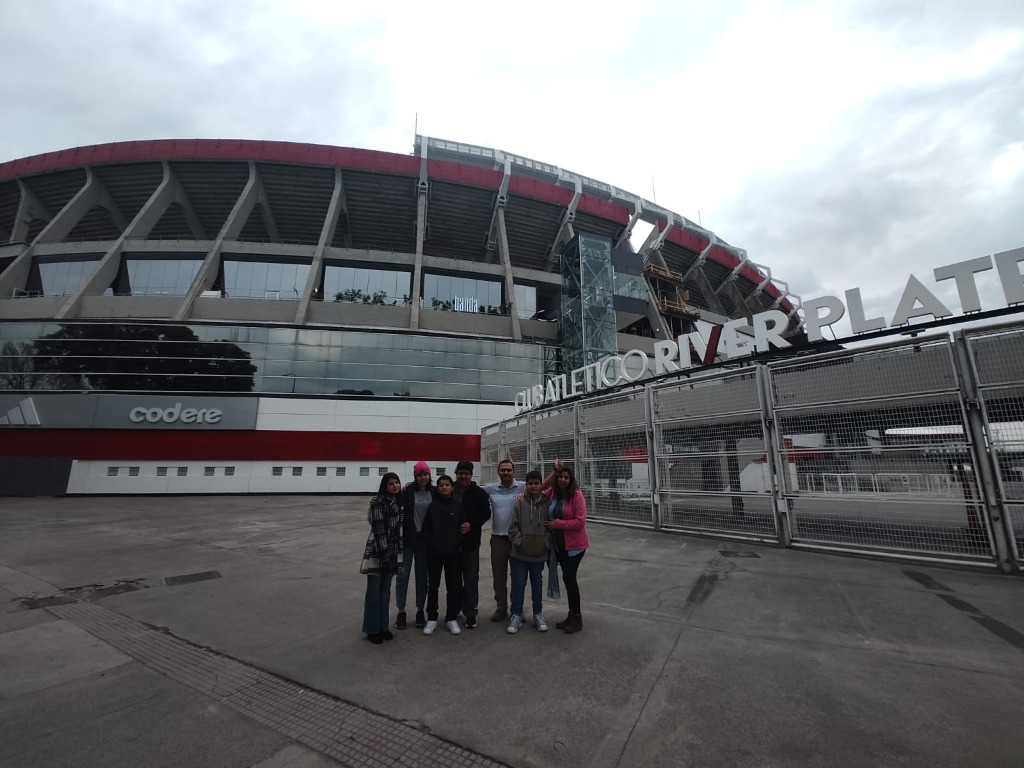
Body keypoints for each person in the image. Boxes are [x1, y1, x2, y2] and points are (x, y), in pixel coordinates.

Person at [543, 461, 590, 634]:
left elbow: (580, 521)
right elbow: (538, 491)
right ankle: (571, 615)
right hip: (557, 546)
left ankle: (577, 617)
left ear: (571, 480)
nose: (563, 480)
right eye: (560, 477)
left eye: (566, 477)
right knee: (567, 580)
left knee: (570, 579)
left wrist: (558, 523)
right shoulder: (553, 493)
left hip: (574, 547)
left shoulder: (576, 495)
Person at [361, 472, 404, 644]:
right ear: (384, 486)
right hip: (378, 553)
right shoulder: (379, 503)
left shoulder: (398, 502)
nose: (395, 486)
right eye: (391, 484)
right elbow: (378, 529)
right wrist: (384, 553)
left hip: (393, 552)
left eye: (397, 483)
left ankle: (383, 626)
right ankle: (372, 629)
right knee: (373, 592)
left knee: (385, 592)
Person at [422, 474, 467, 635]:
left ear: (452, 487)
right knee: (433, 586)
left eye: (447, 485)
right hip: (434, 553)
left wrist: (456, 542)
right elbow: (426, 527)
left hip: (453, 554)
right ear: (437, 488)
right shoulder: (433, 507)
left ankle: (451, 618)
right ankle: (432, 618)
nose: (444, 487)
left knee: (453, 587)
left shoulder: (457, 506)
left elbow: (463, 527)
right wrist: (431, 543)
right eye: (441, 485)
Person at [507, 469, 550, 634]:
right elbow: (513, 526)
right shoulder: (519, 502)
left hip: (539, 553)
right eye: (530, 483)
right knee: (519, 583)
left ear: (541, 485)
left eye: (536, 483)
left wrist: (545, 543)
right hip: (520, 553)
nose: (533, 486)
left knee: (537, 584)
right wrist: (519, 542)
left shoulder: (546, 502)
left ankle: (538, 614)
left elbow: (549, 526)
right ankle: (516, 614)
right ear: (526, 485)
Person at [482, 458, 525, 622]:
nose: (506, 473)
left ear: (513, 472)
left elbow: (542, 487)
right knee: (498, 577)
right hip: (498, 540)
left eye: (509, 470)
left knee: (518, 577)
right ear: (498, 472)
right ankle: (501, 608)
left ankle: (517, 609)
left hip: (517, 539)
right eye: (503, 470)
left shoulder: (523, 486)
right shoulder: (491, 489)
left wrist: (556, 473)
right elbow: (469, 489)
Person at [395, 461, 435, 630]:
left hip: (425, 542)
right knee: (402, 576)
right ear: (415, 476)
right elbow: (392, 497)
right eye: (420, 474)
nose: (423, 477)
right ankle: (401, 611)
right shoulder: (407, 492)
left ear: (429, 475)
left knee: (422, 577)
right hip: (408, 540)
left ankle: (420, 610)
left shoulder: (434, 492)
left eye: (425, 474)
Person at [452, 460, 492, 629]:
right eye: (460, 473)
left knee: (470, 578)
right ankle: (453, 610)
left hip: (471, 544)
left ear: (471, 475)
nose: (463, 476)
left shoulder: (479, 493)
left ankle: (470, 613)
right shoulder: (448, 489)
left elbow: (486, 513)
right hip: (450, 544)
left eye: (466, 473)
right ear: (456, 474)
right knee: (453, 579)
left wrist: (472, 524)